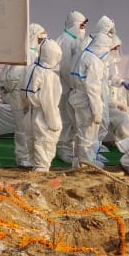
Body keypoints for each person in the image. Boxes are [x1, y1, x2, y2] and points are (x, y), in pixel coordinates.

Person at [0, 23, 46, 167]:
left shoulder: (35, 54)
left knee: (29, 127)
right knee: (21, 128)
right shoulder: (22, 53)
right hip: (18, 97)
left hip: (28, 98)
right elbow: (10, 77)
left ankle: (29, 156)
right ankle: (22, 157)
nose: (41, 42)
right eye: (39, 39)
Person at [67, 28, 114, 168]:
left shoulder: (83, 55)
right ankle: (86, 164)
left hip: (76, 97)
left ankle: (81, 161)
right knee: (87, 135)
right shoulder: (94, 61)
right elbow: (93, 89)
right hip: (85, 101)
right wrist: (97, 110)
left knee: (81, 133)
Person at [21, 39, 62, 172]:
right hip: (43, 115)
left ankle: (36, 167)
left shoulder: (30, 68)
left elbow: (22, 93)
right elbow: (48, 100)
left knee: (32, 142)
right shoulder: (49, 75)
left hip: (30, 113)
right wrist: (53, 121)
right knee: (45, 142)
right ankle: (41, 171)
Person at [54, 10, 88, 161]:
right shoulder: (66, 41)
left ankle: (69, 147)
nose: (83, 29)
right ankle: (64, 149)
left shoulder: (73, 40)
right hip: (65, 87)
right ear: (74, 24)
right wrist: (76, 84)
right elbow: (67, 68)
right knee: (66, 119)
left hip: (71, 87)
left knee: (71, 120)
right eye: (81, 25)